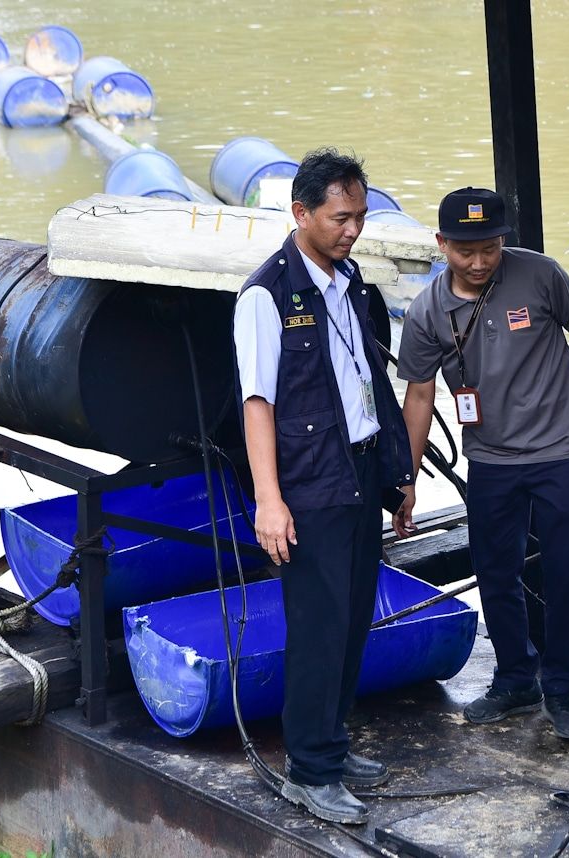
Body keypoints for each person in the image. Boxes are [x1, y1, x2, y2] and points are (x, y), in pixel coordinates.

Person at [393, 187, 569, 742]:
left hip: (562, 451)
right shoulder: (427, 311)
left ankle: (566, 688)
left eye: (490, 249)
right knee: (497, 573)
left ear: (504, 242)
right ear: (441, 243)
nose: (478, 263)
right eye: (465, 251)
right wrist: (405, 479)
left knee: (567, 571)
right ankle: (515, 678)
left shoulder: (542, 276)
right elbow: (420, 396)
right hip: (491, 460)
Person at [233, 148, 413, 825]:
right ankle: (309, 769)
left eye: (361, 217)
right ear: (300, 212)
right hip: (309, 483)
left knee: (355, 616)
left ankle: (332, 744)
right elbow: (258, 404)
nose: (353, 230)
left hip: (361, 468)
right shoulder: (265, 295)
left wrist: (397, 474)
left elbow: (370, 385)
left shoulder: (350, 281)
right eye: (341, 218)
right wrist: (269, 500)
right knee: (318, 625)